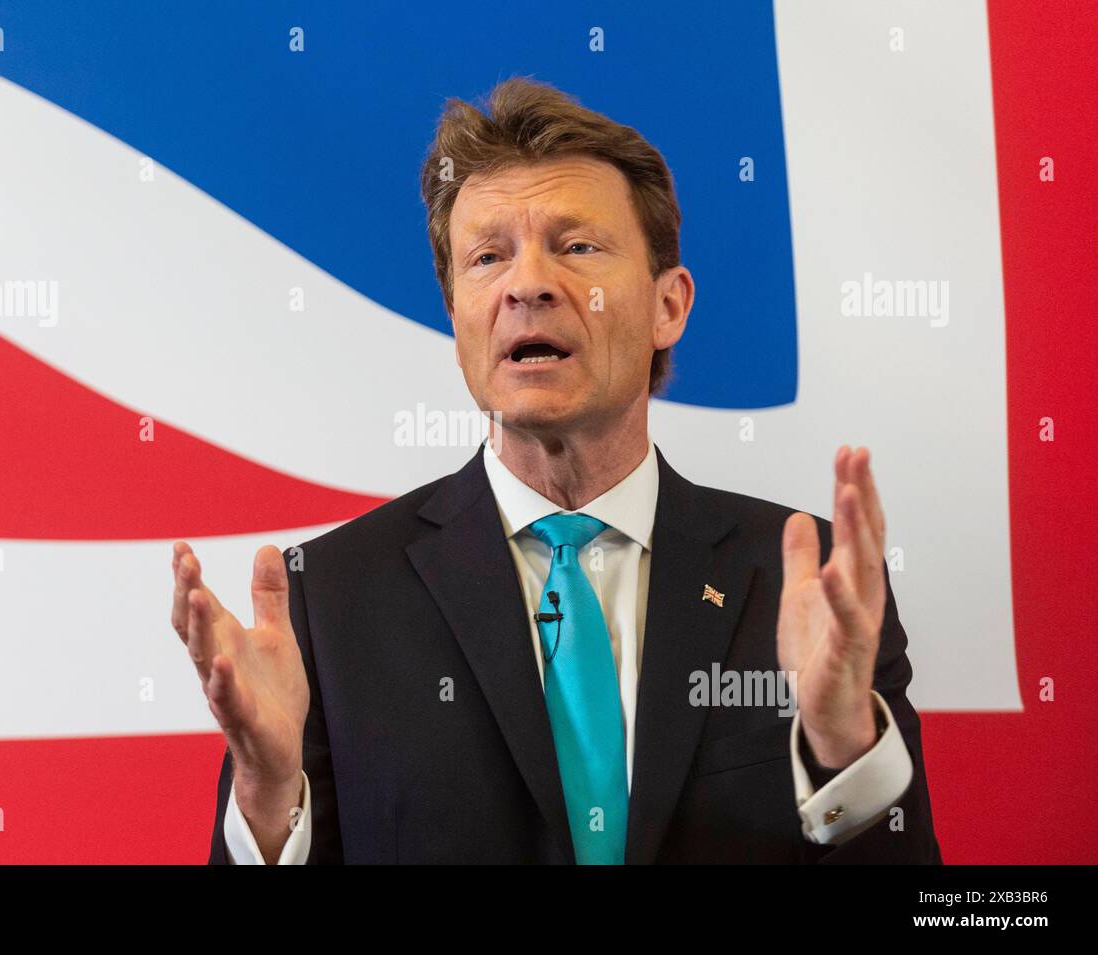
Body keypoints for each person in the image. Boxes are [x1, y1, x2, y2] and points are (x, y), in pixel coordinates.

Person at [169, 77, 940, 864]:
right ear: (458, 313)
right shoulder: (332, 600)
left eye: (576, 246)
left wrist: (846, 746)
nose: (526, 284)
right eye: (487, 256)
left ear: (668, 306)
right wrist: (266, 795)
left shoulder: (806, 580)